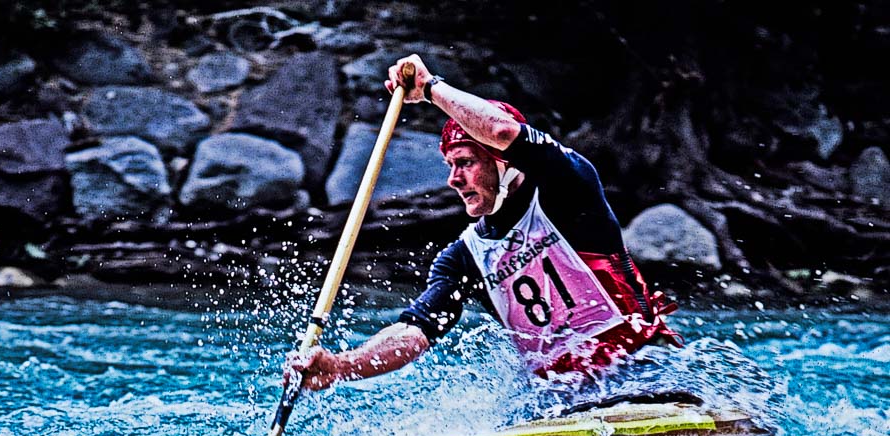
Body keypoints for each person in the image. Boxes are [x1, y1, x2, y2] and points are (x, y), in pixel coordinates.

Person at [289, 53, 681, 392]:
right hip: (562, 398)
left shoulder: (567, 187)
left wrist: (429, 88)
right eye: (449, 165)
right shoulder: (464, 258)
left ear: (502, 161)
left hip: (639, 370)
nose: (453, 180)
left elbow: (500, 131)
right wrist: (341, 366)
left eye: (465, 162)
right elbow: (415, 333)